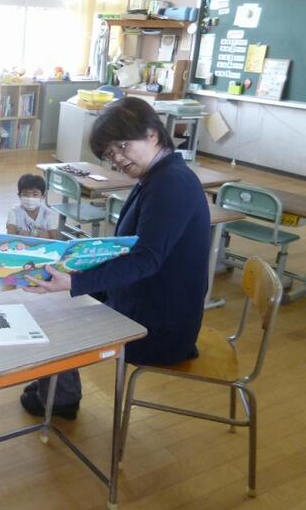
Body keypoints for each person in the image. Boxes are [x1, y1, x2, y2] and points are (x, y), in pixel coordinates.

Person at [20, 97, 210, 419]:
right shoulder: (159, 175)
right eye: (110, 154)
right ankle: (56, 385)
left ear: (152, 134)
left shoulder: (171, 183)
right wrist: (78, 263)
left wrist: (77, 282)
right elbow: (131, 248)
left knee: (57, 309)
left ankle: (60, 397)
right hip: (145, 301)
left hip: (159, 326)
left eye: (122, 146)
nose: (118, 159)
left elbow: (146, 259)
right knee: (55, 295)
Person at [6, 173, 60, 240]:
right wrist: (41, 234)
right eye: (25, 194)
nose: (30, 198)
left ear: (43, 196)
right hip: (19, 245)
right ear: (19, 195)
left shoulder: (48, 213)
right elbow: (10, 236)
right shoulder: (14, 211)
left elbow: (54, 239)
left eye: (35, 194)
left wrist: (29, 234)